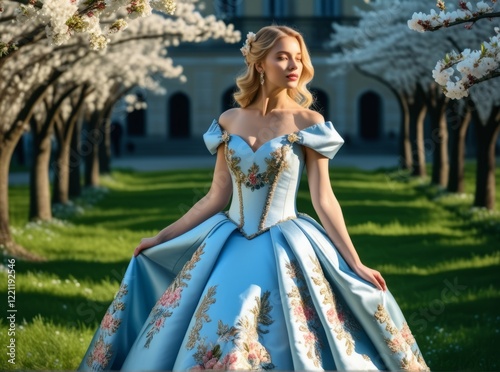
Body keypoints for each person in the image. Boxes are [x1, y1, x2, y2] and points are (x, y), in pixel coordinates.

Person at [79, 25, 428, 371]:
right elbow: (215, 196)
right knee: (225, 325)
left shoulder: (309, 121)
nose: (294, 66)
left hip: (287, 243)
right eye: (282, 57)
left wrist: (355, 263)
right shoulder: (229, 120)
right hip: (228, 242)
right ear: (260, 64)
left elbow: (324, 199)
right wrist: (161, 237)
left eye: (298, 58)